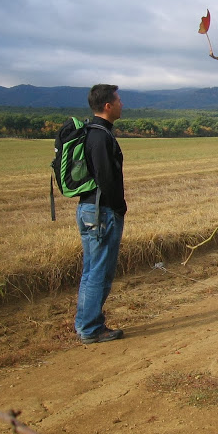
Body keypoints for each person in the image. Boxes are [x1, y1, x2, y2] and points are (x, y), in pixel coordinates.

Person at [75, 84, 127, 344]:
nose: (122, 104)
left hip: (92, 209)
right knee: (98, 271)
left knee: (93, 270)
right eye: (118, 100)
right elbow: (106, 178)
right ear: (108, 106)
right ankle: (90, 328)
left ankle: (88, 324)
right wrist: (119, 207)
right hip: (100, 212)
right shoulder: (100, 136)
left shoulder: (95, 132)